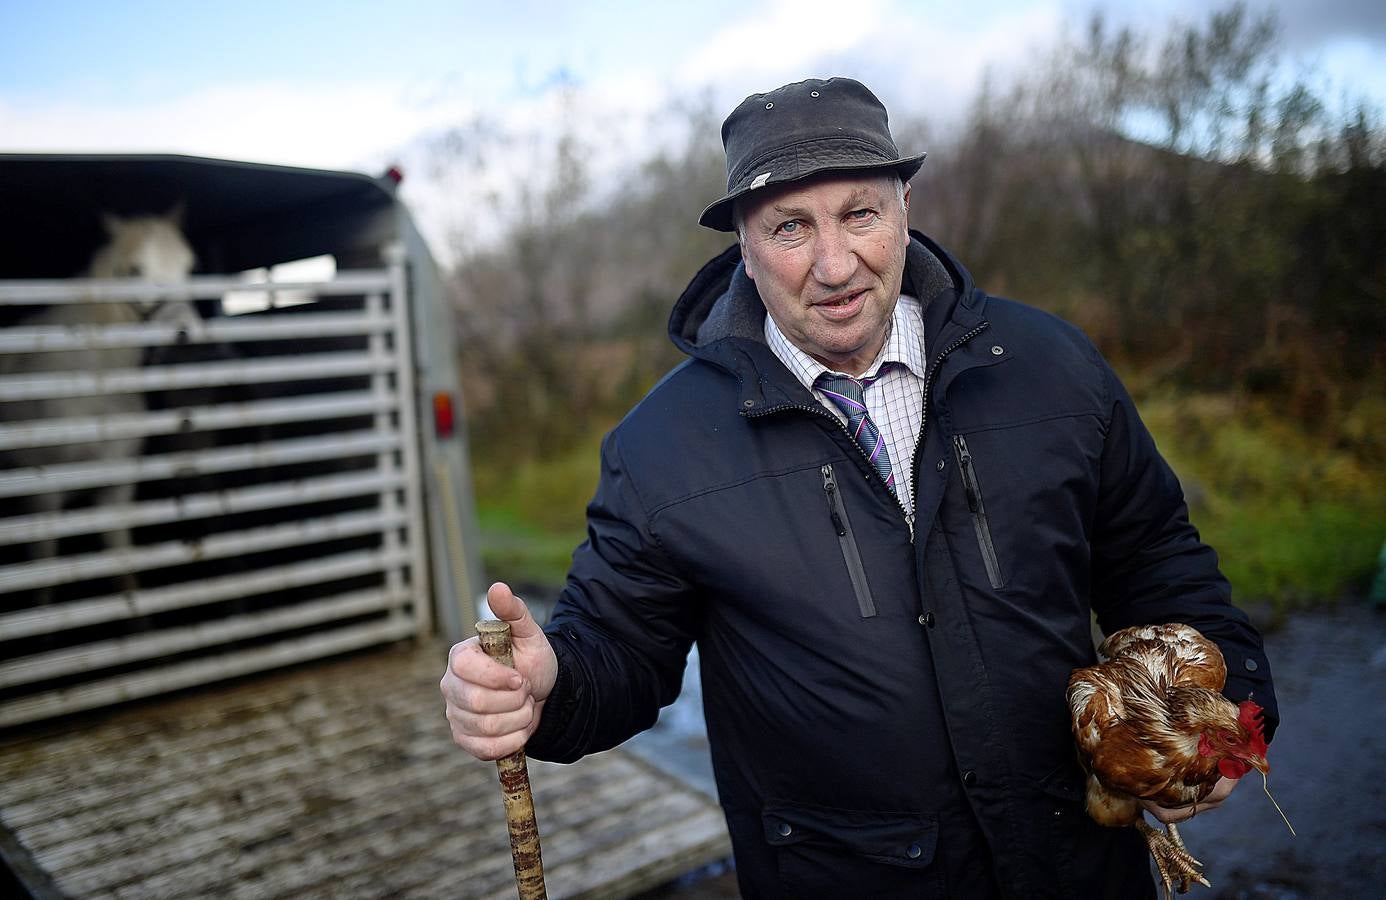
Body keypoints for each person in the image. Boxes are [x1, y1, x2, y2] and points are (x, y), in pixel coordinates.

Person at [440, 76, 1278, 898]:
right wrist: (550, 686)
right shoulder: (663, 447)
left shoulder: (1049, 368)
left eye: (860, 214)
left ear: (906, 203)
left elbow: (1159, 561)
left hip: (1081, 870)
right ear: (742, 239)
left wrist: (1229, 718)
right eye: (789, 227)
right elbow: (617, 651)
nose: (834, 265)